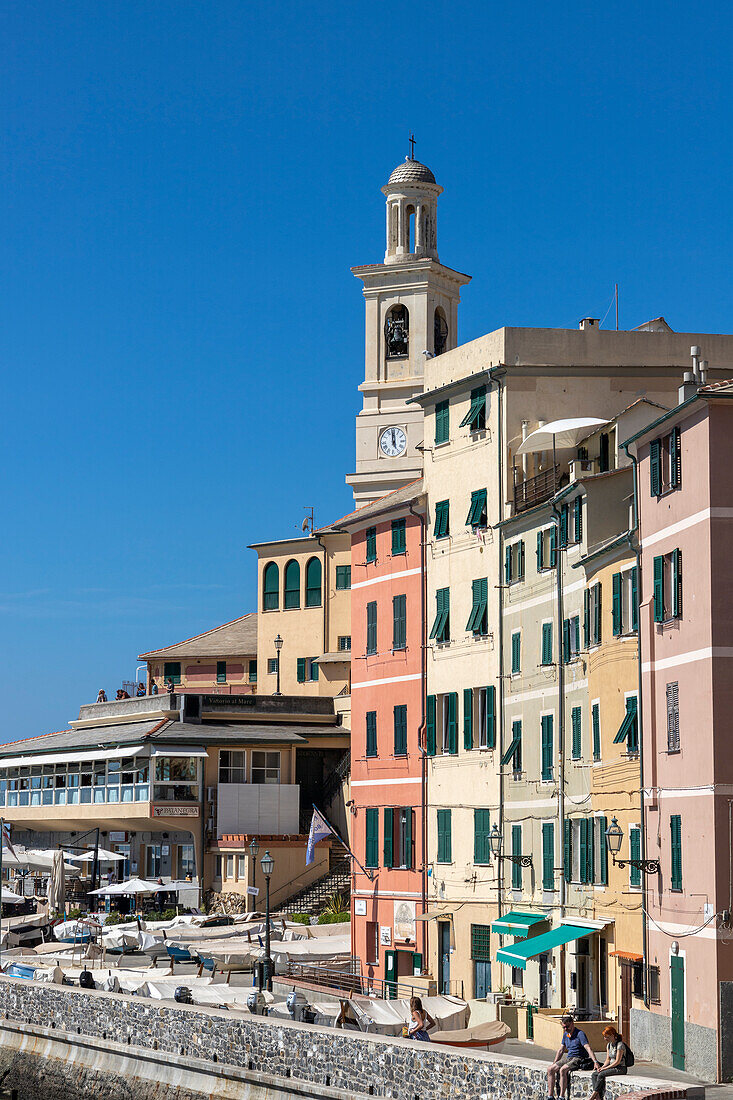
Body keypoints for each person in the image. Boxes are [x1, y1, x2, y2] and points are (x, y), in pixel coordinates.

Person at [547, 1014, 599, 1100]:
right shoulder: (565, 1035)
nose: (566, 1029)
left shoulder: (580, 1034)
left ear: (572, 1023)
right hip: (569, 1058)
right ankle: (550, 1096)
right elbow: (561, 1050)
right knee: (550, 1069)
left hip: (579, 1058)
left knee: (563, 1069)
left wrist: (595, 1062)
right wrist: (555, 1063)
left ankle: (561, 1096)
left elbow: (588, 1048)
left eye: (567, 1027)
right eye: (563, 1027)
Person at [588, 1026, 628, 1099]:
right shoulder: (609, 1045)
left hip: (620, 1068)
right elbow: (608, 1059)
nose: (605, 1039)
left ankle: (592, 1096)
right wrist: (602, 1067)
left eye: (607, 1037)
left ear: (613, 1035)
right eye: (604, 1037)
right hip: (611, 1067)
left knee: (601, 1074)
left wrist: (605, 1069)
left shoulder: (620, 1045)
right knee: (595, 1074)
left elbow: (617, 1061)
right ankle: (597, 1097)